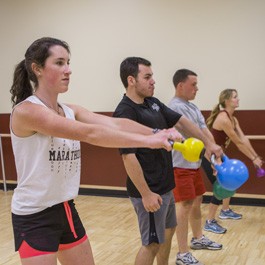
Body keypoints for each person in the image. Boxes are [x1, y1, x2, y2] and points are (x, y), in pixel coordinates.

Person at [9, 37, 182, 265]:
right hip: (34, 217)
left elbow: (115, 124)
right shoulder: (27, 111)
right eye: (59, 63)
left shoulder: (70, 110)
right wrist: (150, 141)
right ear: (37, 69)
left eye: (68, 62)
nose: (68, 70)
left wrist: (157, 132)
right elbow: (89, 134)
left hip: (66, 208)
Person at [113, 58, 222, 265]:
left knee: (169, 232)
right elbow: (128, 156)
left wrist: (208, 143)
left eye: (152, 76)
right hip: (150, 191)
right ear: (131, 80)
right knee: (151, 243)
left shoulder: (152, 103)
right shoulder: (125, 112)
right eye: (147, 77)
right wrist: (146, 194)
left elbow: (181, 121)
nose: (153, 81)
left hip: (166, 186)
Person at [168, 69, 222, 265]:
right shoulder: (175, 107)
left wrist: (214, 155)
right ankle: (182, 253)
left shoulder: (192, 107)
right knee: (184, 205)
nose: (197, 88)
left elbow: (204, 131)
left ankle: (198, 238)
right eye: (193, 84)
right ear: (180, 85)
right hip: (179, 166)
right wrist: (210, 148)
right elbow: (194, 133)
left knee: (197, 202)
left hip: (194, 165)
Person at [202, 88, 263, 234]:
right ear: (227, 100)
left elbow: (244, 139)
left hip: (220, 156)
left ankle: (225, 210)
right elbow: (238, 143)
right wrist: (253, 158)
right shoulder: (223, 118)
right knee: (221, 188)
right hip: (209, 157)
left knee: (229, 183)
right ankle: (209, 221)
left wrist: (256, 156)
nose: (238, 99)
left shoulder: (233, 119)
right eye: (235, 97)